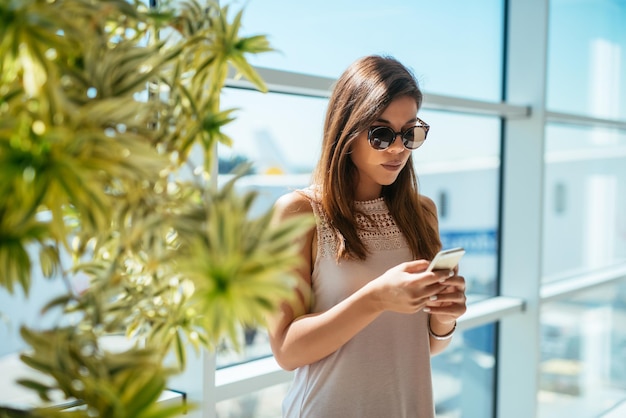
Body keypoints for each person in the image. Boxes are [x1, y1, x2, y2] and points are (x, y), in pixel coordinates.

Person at [268, 55, 467, 418]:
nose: (398, 148)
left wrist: (445, 317)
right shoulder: (299, 213)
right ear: (346, 130)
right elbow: (286, 350)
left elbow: (423, 345)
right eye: (381, 134)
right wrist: (375, 298)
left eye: (410, 133)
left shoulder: (422, 213)